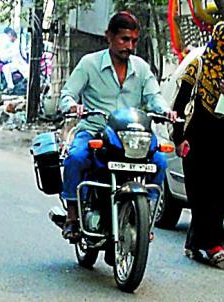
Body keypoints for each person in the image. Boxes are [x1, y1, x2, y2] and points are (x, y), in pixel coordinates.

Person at [58, 11, 177, 241]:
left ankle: (145, 217)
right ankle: (72, 216)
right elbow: (67, 94)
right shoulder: (89, 64)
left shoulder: (141, 68)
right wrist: (73, 106)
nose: (129, 46)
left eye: (133, 40)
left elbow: (155, 97)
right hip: (95, 130)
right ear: (109, 36)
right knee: (76, 157)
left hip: (132, 136)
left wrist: (166, 111)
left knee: (161, 161)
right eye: (124, 39)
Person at [172, 20, 224, 265]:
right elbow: (179, 105)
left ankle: (208, 244)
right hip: (197, 134)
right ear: (215, 39)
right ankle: (205, 243)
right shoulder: (198, 65)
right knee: (199, 192)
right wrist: (179, 138)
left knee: (218, 191)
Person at [0, 27, 28, 92]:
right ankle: (10, 86)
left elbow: (12, 54)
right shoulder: (12, 44)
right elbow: (8, 52)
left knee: (26, 73)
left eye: (9, 37)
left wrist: (1, 57)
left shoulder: (18, 43)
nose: (8, 39)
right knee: (5, 68)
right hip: (15, 63)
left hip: (21, 63)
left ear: (11, 35)